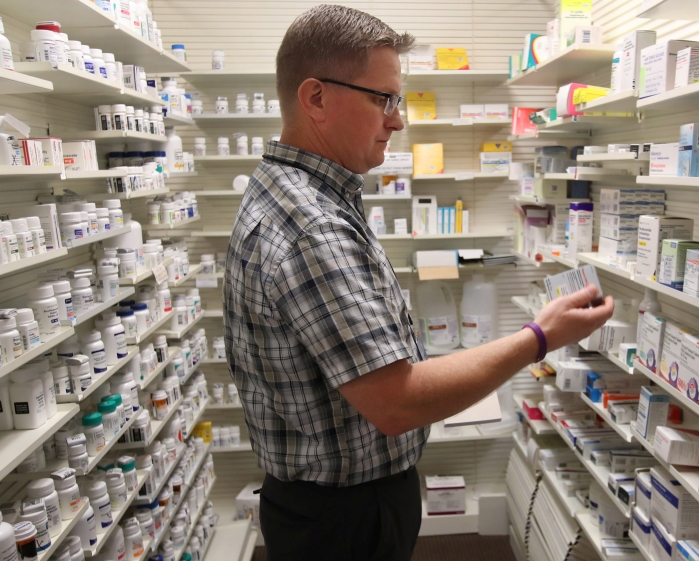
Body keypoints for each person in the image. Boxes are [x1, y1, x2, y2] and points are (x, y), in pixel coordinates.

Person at [223, 5, 615, 560]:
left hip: (331, 507)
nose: (397, 120)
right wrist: (540, 337)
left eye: (397, 101)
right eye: (382, 99)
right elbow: (397, 404)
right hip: (344, 521)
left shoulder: (296, 192)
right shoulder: (310, 225)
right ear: (316, 98)